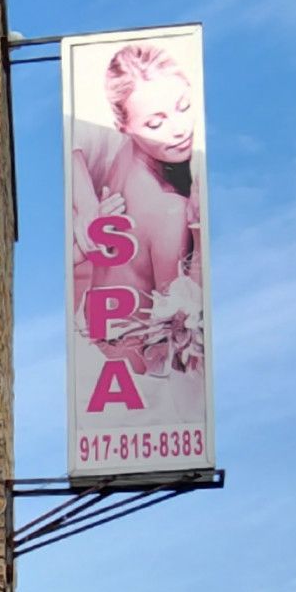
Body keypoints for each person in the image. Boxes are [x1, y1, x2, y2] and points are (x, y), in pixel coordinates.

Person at [69, 41, 204, 380]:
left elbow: (73, 146)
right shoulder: (171, 211)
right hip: (139, 373)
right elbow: (181, 330)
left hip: (99, 342)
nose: (179, 128)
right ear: (123, 125)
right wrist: (200, 232)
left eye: (184, 106)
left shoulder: (123, 154)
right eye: (155, 123)